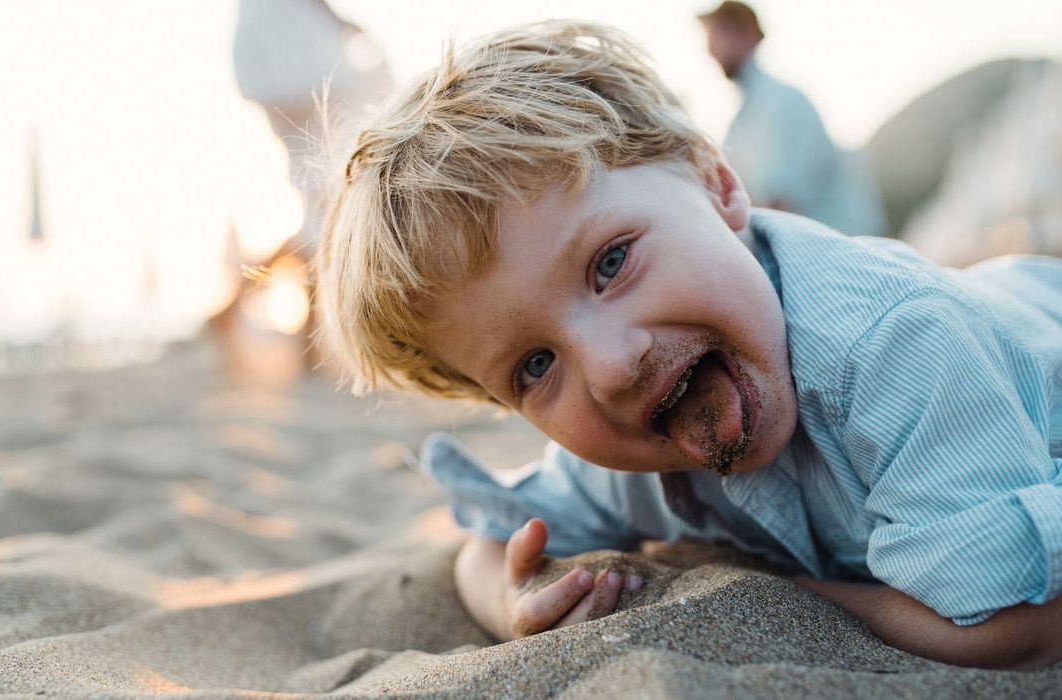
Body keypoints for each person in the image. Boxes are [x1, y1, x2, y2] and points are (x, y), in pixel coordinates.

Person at [314, 21, 1062, 669]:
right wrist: (509, 598)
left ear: (716, 183)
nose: (608, 367)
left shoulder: (894, 346)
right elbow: (488, 539)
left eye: (610, 262)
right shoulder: (628, 456)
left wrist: (795, 601)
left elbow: (1014, 628)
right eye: (534, 367)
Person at [699, 1, 889, 236]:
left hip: (841, 249)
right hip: (806, 249)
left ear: (745, 34)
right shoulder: (741, 120)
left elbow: (779, 202)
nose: (709, 49)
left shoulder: (784, 102)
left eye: (715, 35)